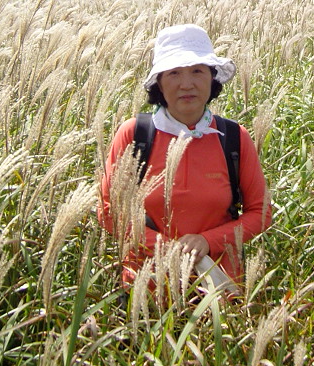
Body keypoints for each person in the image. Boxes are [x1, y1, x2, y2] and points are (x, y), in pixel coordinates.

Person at [98, 24, 270, 289]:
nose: (186, 84)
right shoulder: (135, 134)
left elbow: (260, 213)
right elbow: (109, 211)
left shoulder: (234, 137)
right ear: (160, 83)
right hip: (146, 296)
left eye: (197, 71)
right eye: (175, 72)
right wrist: (167, 249)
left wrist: (207, 241)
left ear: (212, 79)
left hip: (218, 292)